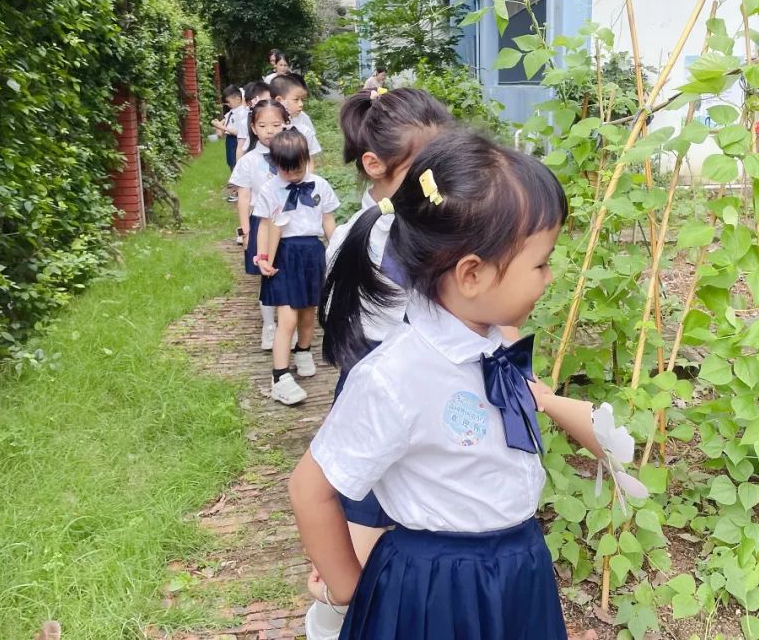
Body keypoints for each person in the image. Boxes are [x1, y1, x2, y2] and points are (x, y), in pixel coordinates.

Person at [289, 129, 639, 640]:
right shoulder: (396, 376)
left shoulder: (496, 344)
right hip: (436, 588)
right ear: (471, 274)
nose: (548, 276)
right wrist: (347, 587)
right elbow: (310, 486)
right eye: (539, 263)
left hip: (517, 569)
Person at [300, 88, 453, 639]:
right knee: (356, 567)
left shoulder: (406, 233)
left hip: (395, 405)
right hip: (383, 408)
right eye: (427, 168)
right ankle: (331, 620)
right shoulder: (381, 241)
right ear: (375, 164)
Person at [255, 130, 340, 405]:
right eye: (286, 169)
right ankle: (279, 375)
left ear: (306, 159)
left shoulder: (320, 185)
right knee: (287, 318)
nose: (293, 174)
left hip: (312, 252)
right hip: (284, 254)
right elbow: (265, 225)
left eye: (298, 168)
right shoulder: (269, 189)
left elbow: (328, 220)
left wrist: (337, 248)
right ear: (275, 164)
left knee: (308, 313)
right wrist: (263, 256)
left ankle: (303, 350)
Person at [229, 99, 290, 352]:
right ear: (253, 128)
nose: (269, 130)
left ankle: (289, 325)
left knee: (287, 274)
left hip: (290, 224)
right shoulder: (248, 161)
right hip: (261, 222)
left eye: (276, 124)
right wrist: (245, 231)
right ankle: (269, 326)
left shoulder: (293, 153)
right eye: (263, 125)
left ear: (286, 124)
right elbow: (244, 197)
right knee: (266, 276)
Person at [272, 73, 323, 170]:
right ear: (279, 100)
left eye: (302, 100)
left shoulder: (304, 121)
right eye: (296, 100)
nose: (301, 104)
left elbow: (310, 158)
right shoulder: (267, 124)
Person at [211, 85, 248, 206]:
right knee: (231, 162)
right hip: (229, 140)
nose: (227, 104)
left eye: (228, 101)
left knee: (236, 163)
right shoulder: (231, 113)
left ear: (237, 99)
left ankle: (238, 190)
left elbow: (239, 132)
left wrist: (222, 127)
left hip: (237, 140)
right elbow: (223, 127)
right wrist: (218, 127)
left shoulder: (242, 113)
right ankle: (236, 188)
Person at [237, 81, 272, 161]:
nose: (269, 104)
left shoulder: (276, 119)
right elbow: (240, 147)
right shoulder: (245, 122)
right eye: (265, 101)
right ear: (251, 103)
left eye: (271, 100)